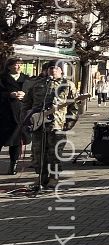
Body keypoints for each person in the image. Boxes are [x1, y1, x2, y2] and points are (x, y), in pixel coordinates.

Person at [22, 61, 78, 190]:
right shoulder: (38, 84)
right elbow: (26, 103)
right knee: (38, 153)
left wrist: (69, 123)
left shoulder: (67, 85)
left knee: (54, 153)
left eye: (57, 68)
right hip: (38, 125)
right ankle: (41, 177)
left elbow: (74, 107)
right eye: (51, 68)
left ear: (62, 70)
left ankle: (54, 177)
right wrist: (26, 119)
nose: (54, 70)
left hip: (57, 125)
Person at [1, 58, 30, 175]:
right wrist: (10, 94)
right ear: (9, 67)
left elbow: (33, 93)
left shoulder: (26, 79)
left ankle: (14, 164)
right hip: (4, 113)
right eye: (16, 65)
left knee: (16, 141)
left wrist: (25, 95)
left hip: (20, 113)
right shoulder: (2, 78)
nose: (18, 67)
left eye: (20, 65)